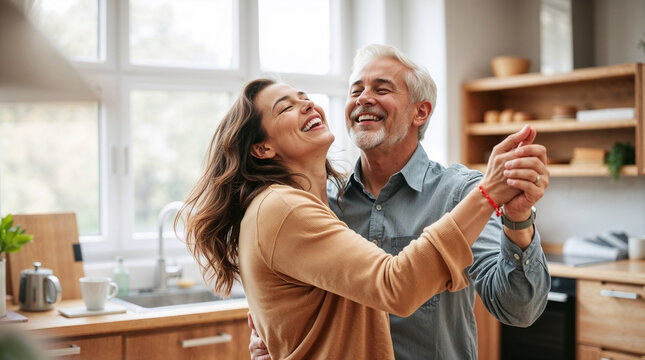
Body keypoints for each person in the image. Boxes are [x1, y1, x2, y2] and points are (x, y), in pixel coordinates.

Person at [179, 76, 545, 358]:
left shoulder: (452, 191)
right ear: (262, 147)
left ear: (422, 111)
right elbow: (395, 285)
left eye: (382, 88)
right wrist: (487, 196)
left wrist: (516, 218)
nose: (363, 98)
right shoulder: (287, 208)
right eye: (285, 107)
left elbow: (518, 306)